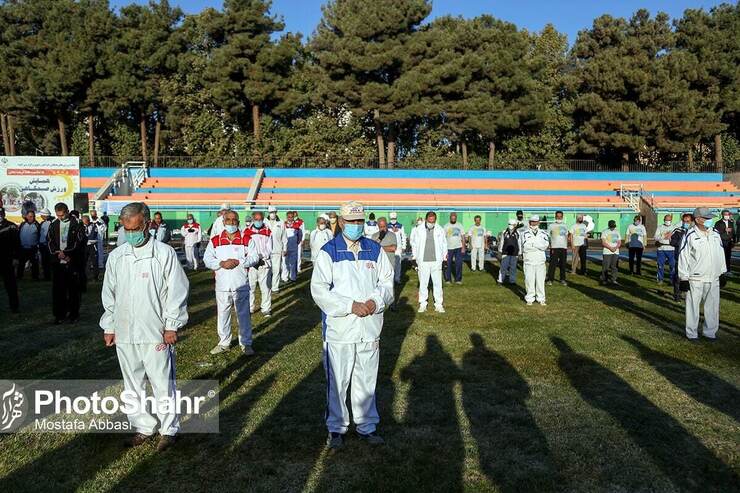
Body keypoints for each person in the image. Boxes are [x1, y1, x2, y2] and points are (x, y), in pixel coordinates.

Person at [100, 202, 189, 452]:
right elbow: (110, 294)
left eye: (136, 228)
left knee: (162, 381)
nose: (131, 234)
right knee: (132, 382)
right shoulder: (118, 256)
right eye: (126, 229)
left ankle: (169, 429)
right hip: (125, 331)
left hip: (156, 331)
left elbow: (177, 292)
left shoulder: (163, 254)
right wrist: (109, 326)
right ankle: (143, 426)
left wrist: (172, 325)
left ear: (147, 225)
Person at [310, 201, 394, 449]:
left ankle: (366, 426)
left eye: (360, 221)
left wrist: (375, 302)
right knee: (338, 381)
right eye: (351, 221)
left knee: (367, 379)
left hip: (369, 326)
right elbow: (319, 291)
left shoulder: (374, 250)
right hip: (340, 330)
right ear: (342, 222)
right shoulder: (328, 251)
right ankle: (336, 429)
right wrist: (350, 306)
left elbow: (387, 284)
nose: (356, 226)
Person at [204, 210, 261, 355]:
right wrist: (221, 263)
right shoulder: (215, 240)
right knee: (223, 314)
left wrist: (239, 261)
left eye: (234, 220)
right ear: (223, 222)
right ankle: (224, 343)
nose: (231, 222)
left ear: (238, 222)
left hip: (240, 283)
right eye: (228, 220)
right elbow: (207, 259)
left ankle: (246, 344)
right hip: (222, 284)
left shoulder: (247, 239)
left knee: (243, 315)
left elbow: (254, 258)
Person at [678, 207, 727, 341]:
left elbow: (720, 253)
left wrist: (722, 272)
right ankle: (692, 333)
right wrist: (683, 278)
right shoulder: (690, 235)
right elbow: (684, 256)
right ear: (698, 219)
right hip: (696, 278)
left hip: (714, 277)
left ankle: (710, 332)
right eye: (707, 218)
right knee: (693, 307)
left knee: (712, 307)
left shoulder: (715, 234)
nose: (709, 220)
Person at [47, 202, 86, 324]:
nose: (60, 218)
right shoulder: (53, 224)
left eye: (62, 215)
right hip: (58, 261)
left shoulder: (77, 224)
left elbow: (79, 241)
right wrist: (57, 253)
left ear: (67, 212)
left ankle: (74, 314)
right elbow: (49, 240)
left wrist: (67, 254)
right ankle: (59, 315)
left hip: (72, 261)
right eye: (58, 215)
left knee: (73, 290)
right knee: (58, 290)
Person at [412, 211, 447, 313]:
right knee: (423, 283)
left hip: (436, 261)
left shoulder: (440, 229)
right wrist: (414, 258)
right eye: (430, 220)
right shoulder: (419, 230)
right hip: (423, 261)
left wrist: (444, 258)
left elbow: (444, 245)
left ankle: (439, 304)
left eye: (433, 220)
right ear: (426, 219)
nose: (431, 222)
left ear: (435, 220)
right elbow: (414, 244)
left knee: (437, 283)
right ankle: (423, 304)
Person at [245, 211, 273, 318]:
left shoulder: (267, 231)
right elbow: (245, 247)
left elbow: (270, 247)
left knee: (265, 287)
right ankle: (250, 307)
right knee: (250, 287)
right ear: (253, 220)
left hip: (264, 262)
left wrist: (262, 256)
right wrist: (252, 258)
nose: (258, 221)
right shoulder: (246, 232)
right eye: (256, 219)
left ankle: (266, 308)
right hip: (251, 263)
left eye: (260, 219)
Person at [519, 215, 549, 305]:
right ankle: (530, 298)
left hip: (540, 260)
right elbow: (525, 247)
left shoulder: (544, 233)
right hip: (529, 260)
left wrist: (533, 244)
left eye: (536, 222)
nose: (534, 223)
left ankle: (541, 298)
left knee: (540, 281)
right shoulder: (524, 233)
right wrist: (538, 245)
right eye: (532, 222)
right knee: (529, 280)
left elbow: (545, 246)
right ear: (529, 223)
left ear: (538, 222)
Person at [372, 217, 398, 307]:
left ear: (387, 225)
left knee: (390, 284)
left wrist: (380, 247)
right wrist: (379, 239)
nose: (383, 228)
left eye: (384, 226)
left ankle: (392, 304)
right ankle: (379, 302)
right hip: (378, 264)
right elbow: (372, 249)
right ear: (378, 226)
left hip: (390, 263)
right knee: (377, 284)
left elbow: (393, 248)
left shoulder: (392, 235)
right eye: (381, 226)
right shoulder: (374, 236)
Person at [0, 207, 20, 313]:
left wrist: (16, 258)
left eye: (1, 213)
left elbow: (17, 244)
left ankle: (14, 306)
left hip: (7, 260)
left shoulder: (11, 226)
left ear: (4, 214)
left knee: (10, 285)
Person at [670, 213, 693, 301]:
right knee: (678, 277)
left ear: (691, 221)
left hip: (691, 259)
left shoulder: (694, 231)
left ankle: (689, 295)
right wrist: (683, 243)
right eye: (684, 221)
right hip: (679, 257)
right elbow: (672, 242)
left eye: (688, 221)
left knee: (691, 278)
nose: (686, 223)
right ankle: (677, 295)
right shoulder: (678, 231)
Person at [266, 206, 287, 292]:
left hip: (277, 249)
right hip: (266, 251)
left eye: (274, 212)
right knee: (267, 270)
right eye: (271, 212)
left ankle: (275, 287)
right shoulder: (264, 222)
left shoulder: (281, 222)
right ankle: (267, 286)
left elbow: (284, 237)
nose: (272, 214)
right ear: (268, 213)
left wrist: (284, 248)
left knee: (276, 269)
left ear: (276, 212)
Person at [546, 210, 569, 286]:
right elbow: (548, 236)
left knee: (563, 265)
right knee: (553, 264)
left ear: (562, 217)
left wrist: (567, 246)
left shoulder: (565, 225)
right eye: (557, 216)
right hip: (554, 247)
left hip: (563, 247)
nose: (559, 218)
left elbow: (566, 236)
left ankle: (562, 279)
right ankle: (550, 279)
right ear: (555, 216)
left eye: (560, 216)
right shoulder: (551, 225)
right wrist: (549, 244)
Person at [17, 209, 40, 280]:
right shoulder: (22, 224)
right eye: (29, 216)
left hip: (33, 248)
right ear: (26, 216)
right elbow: (18, 234)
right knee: (21, 263)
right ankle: (19, 276)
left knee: (34, 264)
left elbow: (40, 235)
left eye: (33, 216)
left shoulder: (37, 225)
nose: (31, 218)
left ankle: (35, 277)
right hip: (23, 248)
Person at [443, 212, 466, 284]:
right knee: (448, 263)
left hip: (458, 247)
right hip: (449, 248)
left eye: (454, 217)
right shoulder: (446, 226)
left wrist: (463, 247)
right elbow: (443, 238)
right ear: (450, 218)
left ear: (456, 218)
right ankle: (448, 279)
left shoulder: (459, 225)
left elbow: (463, 236)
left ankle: (458, 279)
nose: (453, 219)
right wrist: (443, 249)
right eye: (452, 217)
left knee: (458, 263)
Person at [654, 214, 675, 285]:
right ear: (664, 220)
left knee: (672, 265)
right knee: (660, 265)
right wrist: (664, 236)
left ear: (671, 220)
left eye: (669, 220)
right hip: (661, 249)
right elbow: (656, 237)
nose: (667, 221)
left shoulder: (673, 227)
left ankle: (672, 280)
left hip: (671, 249)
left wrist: (670, 237)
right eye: (666, 220)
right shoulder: (660, 227)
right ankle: (660, 279)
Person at [282, 211, 303, 283]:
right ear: (286, 217)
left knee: (293, 263)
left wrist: (297, 242)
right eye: (289, 217)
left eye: (291, 217)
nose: (290, 218)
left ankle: (293, 277)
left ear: (293, 217)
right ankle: (285, 277)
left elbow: (300, 236)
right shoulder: (283, 225)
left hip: (294, 247)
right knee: (285, 263)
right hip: (285, 248)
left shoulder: (297, 225)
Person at [497, 219, 520, 284]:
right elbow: (501, 242)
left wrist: (520, 253)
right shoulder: (504, 232)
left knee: (513, 268)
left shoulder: (517, 233)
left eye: (512, 225)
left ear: (515, 225)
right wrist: (499, 251)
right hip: (505, 252)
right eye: (509, 224)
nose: (510, 226)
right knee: (503, 267)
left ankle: (512, 281)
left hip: (514, 253)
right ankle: (500, 280)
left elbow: (519, 243)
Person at [600, 220, 621, 286]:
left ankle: (614, 279)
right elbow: (603, 242)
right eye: (612, 226)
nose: (613, 228)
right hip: (607, 252)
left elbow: (619, 242)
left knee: (614, 266)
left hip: (616, 252)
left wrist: (616, 247)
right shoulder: (605, 232)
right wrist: (610, 248)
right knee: (606, 266)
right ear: (609, 226)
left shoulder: (617, 231)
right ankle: (604, 279)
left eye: (613, 227)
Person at [387, 212, 406, 284]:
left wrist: (404, 246)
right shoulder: (387, 226)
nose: (393, 220)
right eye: (392, 219)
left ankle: (397, 278)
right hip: (389, 247)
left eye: (394, 219)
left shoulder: (400, 226)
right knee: (389, 264)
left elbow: (403, 236)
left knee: (398, 264)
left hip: (398, 248)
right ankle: (390, 278)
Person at [714, 209, 735, 275]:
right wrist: (724, 230)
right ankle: (721, 270)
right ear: (722, 215)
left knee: (728, 256)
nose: (727, 216)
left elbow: (733, 232)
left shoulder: (731, 222)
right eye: (725, 214)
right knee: (722, 256)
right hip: (721, 241)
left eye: (728, 214)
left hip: (729, 241)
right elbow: (716, 232)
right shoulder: (718, 223)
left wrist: (733, 240)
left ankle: (728, 270)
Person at [82, 214, 100, 284]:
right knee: (84, 261)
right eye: (84, 222)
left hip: (92, 245)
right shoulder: (80, 226)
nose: (86, 223)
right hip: (84, 246)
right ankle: (84, 276)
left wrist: (88, 240)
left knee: (94, 261)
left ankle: (96, 276)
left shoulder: (93, 226)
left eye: (86, 222)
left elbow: (93, 235)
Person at [38, 208, 53, 280]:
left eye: (42, 215)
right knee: (44, 262)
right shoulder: (42, 223)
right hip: (42, 245)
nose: (41, 216)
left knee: (47, 262)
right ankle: (46, 275)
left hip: (47, 245)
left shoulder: (51, 223)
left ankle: (48, 276)